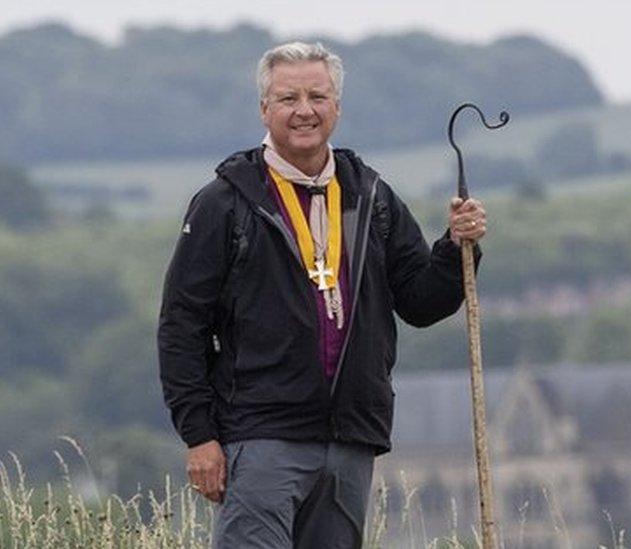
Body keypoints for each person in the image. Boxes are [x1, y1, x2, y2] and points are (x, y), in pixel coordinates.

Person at [157, 41, 487, 548]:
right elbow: (181, 326)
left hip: (351, 440)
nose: (304, 110)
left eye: (317, 96)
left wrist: (454, 248)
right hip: (261, 436)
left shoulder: (371, 194)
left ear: (337, 106)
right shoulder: (223, 202)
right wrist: (199, 436)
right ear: (264, 109)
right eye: (289, 99)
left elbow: (421, 303)